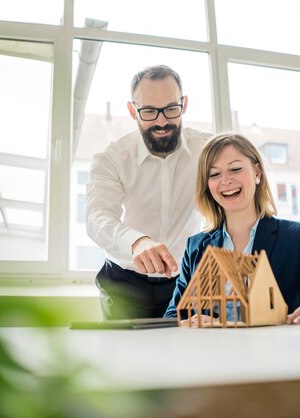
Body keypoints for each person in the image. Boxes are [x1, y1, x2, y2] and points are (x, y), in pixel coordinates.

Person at [164, 133, 300, 324]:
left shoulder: (296, 238)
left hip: (275, 354)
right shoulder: (196, 246)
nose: (225, 180)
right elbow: (172, 316)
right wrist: (187, 322)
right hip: (215, 356)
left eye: (235, 169)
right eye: (214, 174)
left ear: (257, 173)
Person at [86, 65, 212, 320]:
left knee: (186, 355)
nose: (162, 121)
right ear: (132, 111)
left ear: (184, 104)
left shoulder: (208, 150)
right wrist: (137, 242)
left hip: (186, 281)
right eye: (149, 111)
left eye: (171, 109)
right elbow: (97, 217)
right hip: (124, 282)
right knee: (125, 356)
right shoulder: (112, 159)